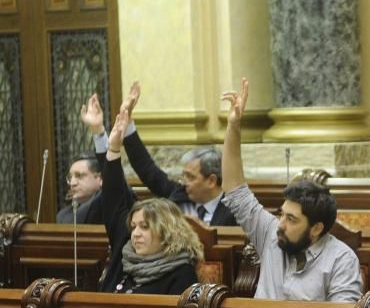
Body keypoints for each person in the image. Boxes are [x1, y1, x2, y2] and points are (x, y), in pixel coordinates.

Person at [220, 78, 363, 302]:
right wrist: (234, 126)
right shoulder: (271, 234)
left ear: (316, 228)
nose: (281, 224)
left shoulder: (341, 260)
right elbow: (234, 190)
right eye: (281, 214)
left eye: (292, 219)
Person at [84, 82, 238, 227]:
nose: (184, 182)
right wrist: (127, 120)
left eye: (190, 177)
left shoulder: (235, 210)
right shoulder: (178, 194)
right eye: (184, 175)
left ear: (211, 180)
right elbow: (146, 169)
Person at [100, 107, 202, 295]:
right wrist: (113, 149)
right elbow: (112, 197)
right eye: (134, 226)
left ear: (167, 233)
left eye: (145, 227)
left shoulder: (181, 273)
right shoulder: (124, 256)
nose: (136, 234)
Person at [57, 153, 103, 224]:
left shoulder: (111, 207)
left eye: (79, 176)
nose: (72, 183)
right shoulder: (63, 216)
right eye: (70, 178)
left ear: (100, 179)